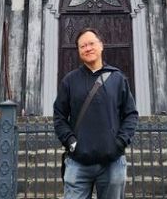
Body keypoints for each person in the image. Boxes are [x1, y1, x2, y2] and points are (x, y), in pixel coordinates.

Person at [54, 27, 138, 199]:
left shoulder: (117, 78)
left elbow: (131, 114)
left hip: (112, 162)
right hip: (78, 161)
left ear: (101, 46)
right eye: (82, 46)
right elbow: (59, 116)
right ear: (78, 51)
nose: (88, 48)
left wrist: (120, 142)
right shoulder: (69, 81)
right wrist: (71, 142)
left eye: (91, 43)